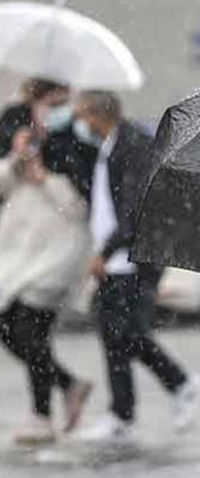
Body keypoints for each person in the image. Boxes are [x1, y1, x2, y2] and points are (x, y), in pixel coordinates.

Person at [72, 91, 200, 441]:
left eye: (81, 115)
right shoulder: (108, 145)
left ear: (97, 114)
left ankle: (181, 382)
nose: (79, 123)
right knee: (112, 334)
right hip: (114, 261)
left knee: (129, 333)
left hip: (133, 258)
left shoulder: (133, 144)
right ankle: (122, 416)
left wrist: (106, 250)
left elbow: (132, 209)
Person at [0, 130, 93, 444]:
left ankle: (41, 416)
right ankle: (68, 386)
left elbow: (79, 209)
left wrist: (45, 179)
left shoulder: (65, 164)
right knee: (12, 332)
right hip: (18, 266)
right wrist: (16, 157)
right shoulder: (16, 170)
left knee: (29, 334)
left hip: (54, 265)